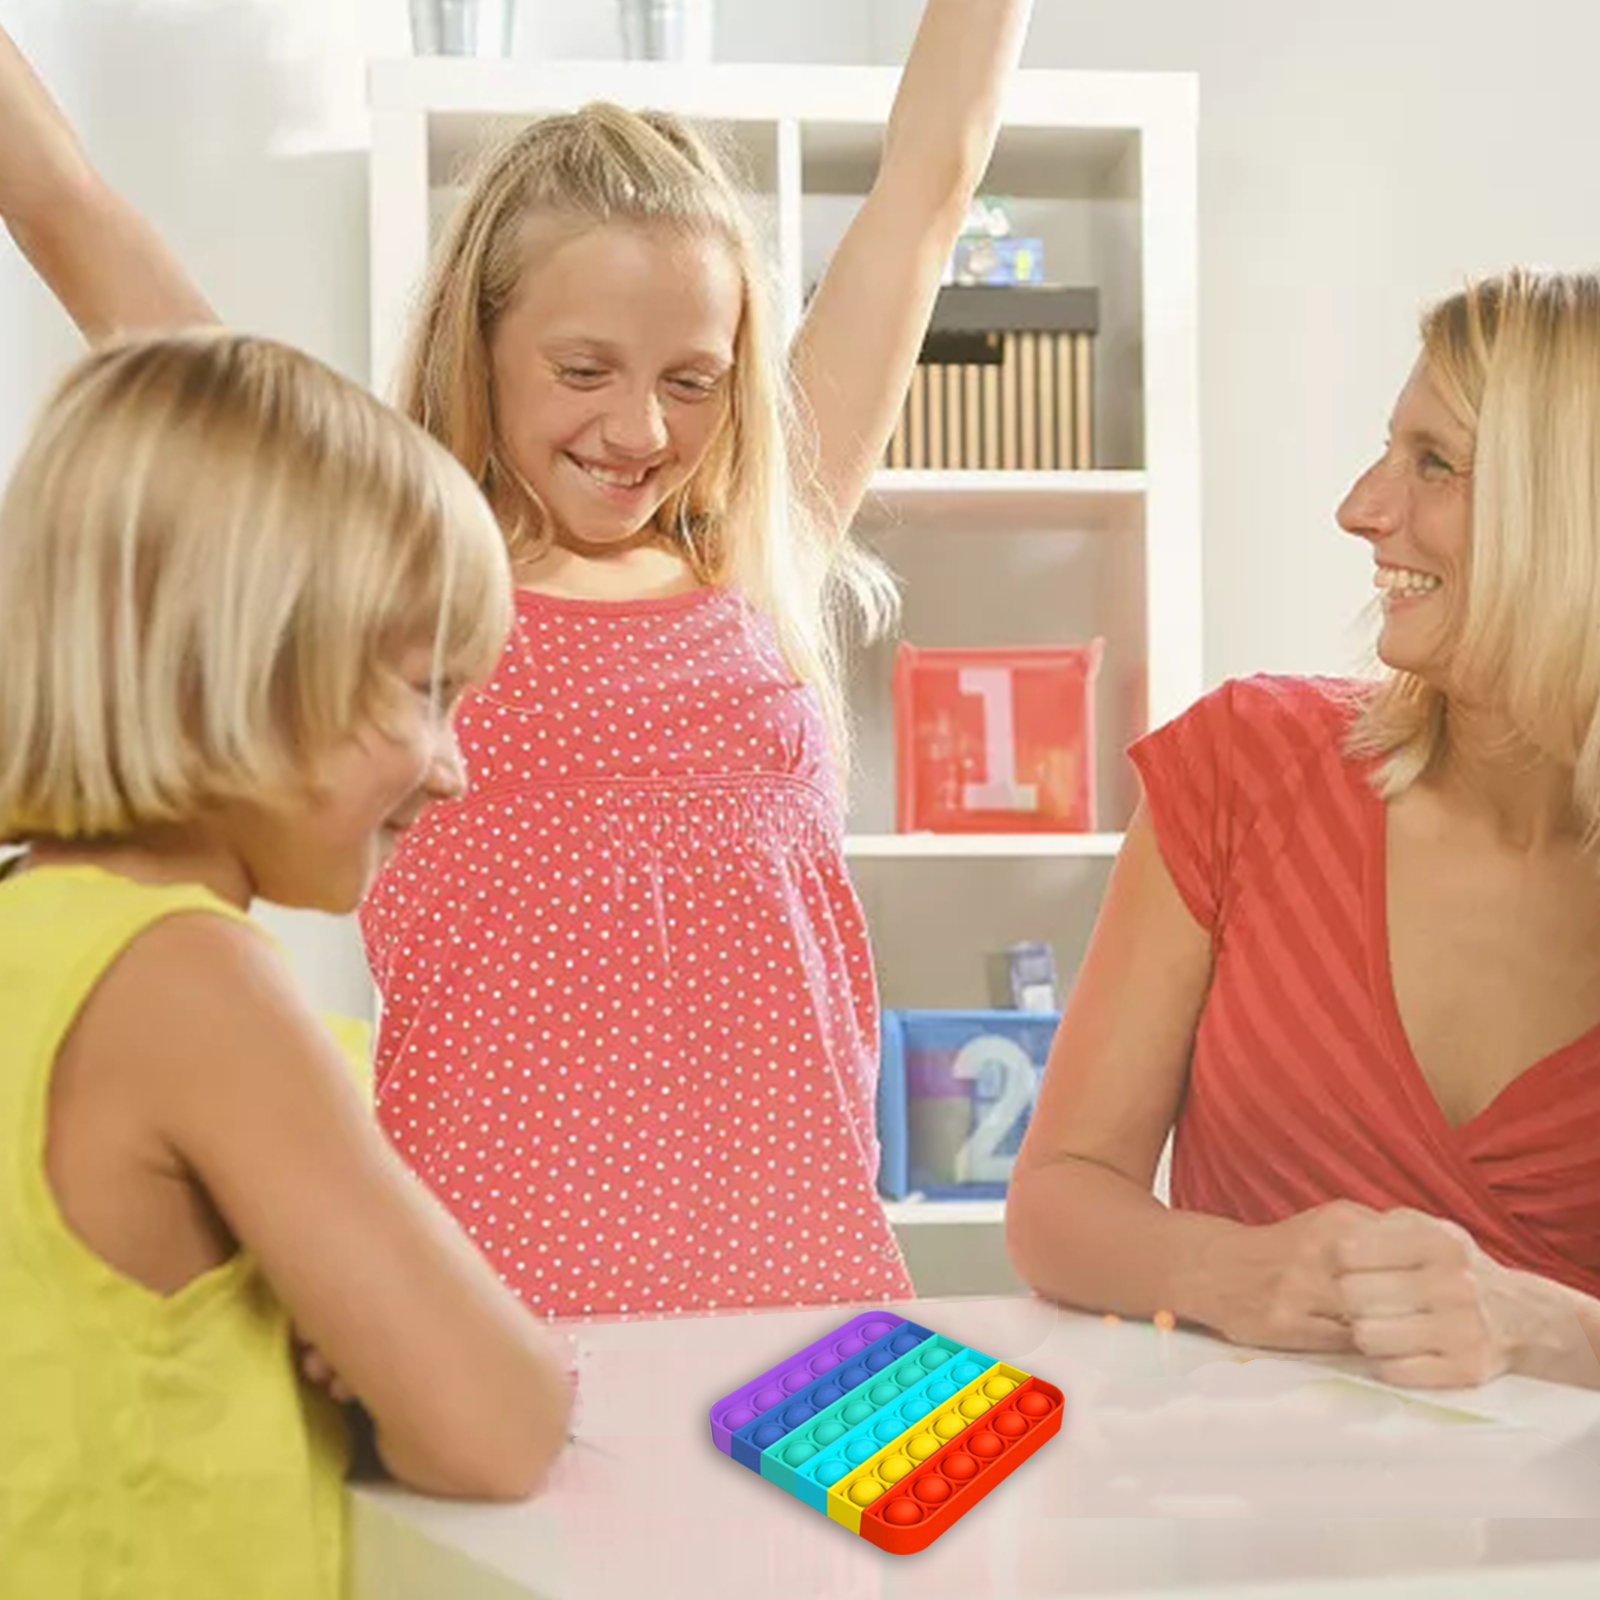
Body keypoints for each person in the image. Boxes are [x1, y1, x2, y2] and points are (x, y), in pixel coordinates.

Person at [0, 1, 1037, 1318]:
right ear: (479, 341)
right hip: (500, 1324)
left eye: (693, 379)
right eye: (584, 369)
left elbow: (932, 182)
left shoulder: (759, 551)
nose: (640, 428)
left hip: (813, 1311)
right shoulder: (393, 576)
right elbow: (71, 213)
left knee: (1033, 1454)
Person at [0, 329, 574, 1598]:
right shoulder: (190, 979)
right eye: (423, 692)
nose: (451, 767)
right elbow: (499, 1423)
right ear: (238, 661)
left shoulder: (34, 936)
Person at [1009, 269, 1600, 1391]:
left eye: (1435, 462)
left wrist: (1552, 1330)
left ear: (1568, 510)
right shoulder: (1243, 767)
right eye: (1389, 451)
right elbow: (1058, 1199)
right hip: (1232, 1492)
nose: (1361, 507)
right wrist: (1229, 1273)